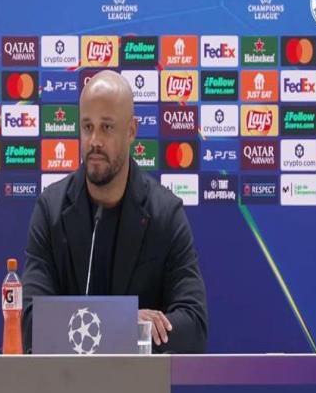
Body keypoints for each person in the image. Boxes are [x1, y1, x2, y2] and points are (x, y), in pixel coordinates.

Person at [22, 70, 207, 353]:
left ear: (131, 130)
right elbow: (31, 324)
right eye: (87, 127)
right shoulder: (51, 211)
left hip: (138, 382)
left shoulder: (165, 214)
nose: (94, 140)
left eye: (107, 127)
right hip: (66, 381)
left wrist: (101, 329)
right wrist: (125, 324)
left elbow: (194, 328)